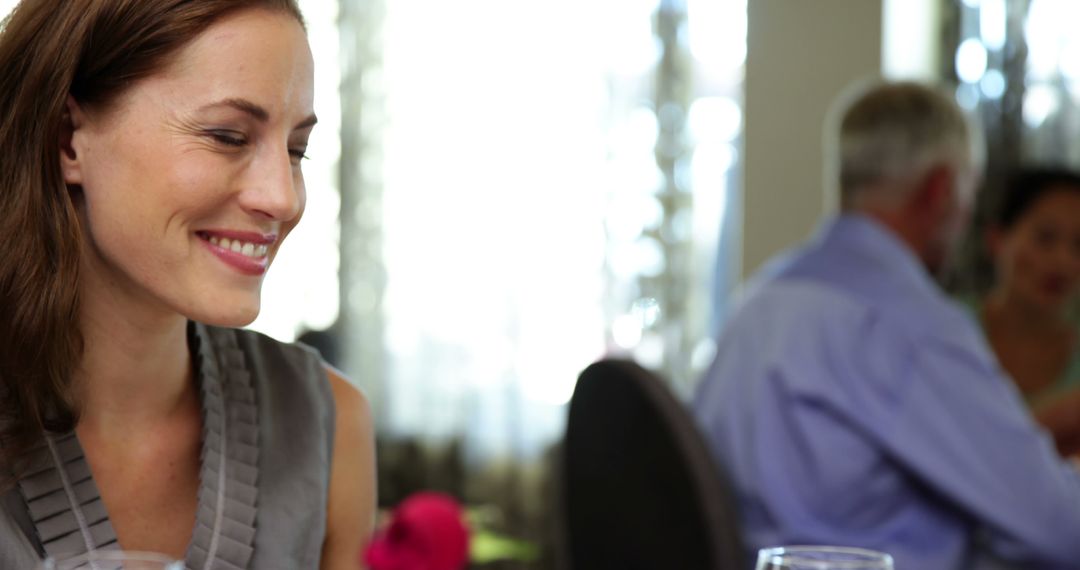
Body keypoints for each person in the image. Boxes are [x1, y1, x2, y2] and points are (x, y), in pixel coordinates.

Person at [0, 1, 375, 568]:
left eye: (296, 149)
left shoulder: (329, 425)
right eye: (227, 136)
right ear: (67, 138)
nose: (284, 198)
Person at [692, 80, 1080, 569]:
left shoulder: (757, 301)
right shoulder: (906, 324)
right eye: (968, 194)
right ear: (940, 190)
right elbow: (1060, 531)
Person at [966, 168, 1080, 454]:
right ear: (997, 239)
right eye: (1045, 238)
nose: (1062, 261)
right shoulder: (943, 328)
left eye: (1079, 245)